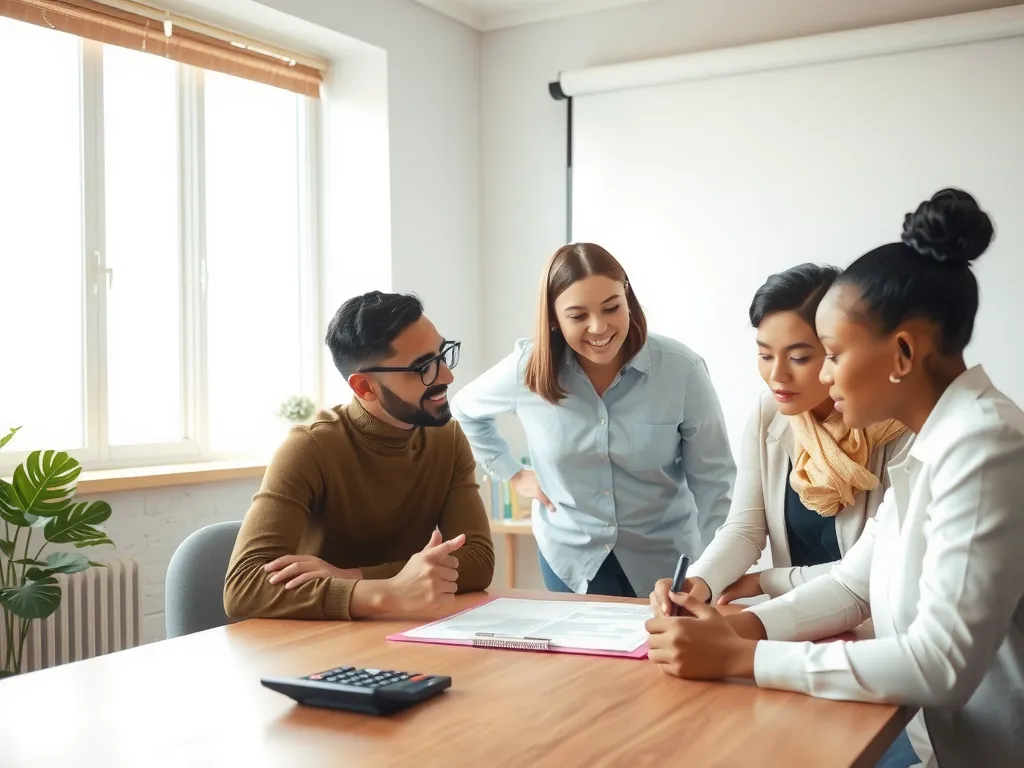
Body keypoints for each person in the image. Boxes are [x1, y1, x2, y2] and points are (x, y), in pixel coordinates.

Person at [646, 189, 1024, 768]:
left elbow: (942, 665)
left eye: (829, 354)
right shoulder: (938, 440)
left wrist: (742, 659)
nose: (820, 375)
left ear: (901, 353)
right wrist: (738, 631)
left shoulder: (985, 447)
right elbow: (853, 586)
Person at [450, 243, 735, 598]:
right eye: (578, 316)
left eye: (611, 307)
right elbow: (463, 408)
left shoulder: (681, 370)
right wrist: (513, 472)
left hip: (665, 560)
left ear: (627, 297)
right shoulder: (528, 369)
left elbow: (714, 482)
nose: (599, 327)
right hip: (570, 558)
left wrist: (711, 572)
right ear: (553, 318)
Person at [223, 291, 495, 621]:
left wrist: (352, 576)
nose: (447, 376)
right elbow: (243, 587)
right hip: (315, 648)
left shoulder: (447, 439)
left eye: (442, 354)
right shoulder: (309, 448)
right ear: (364, 387)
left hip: (408, 633)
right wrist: (388, 592)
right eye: (424, 367)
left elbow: (478, 561)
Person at [683, 264, 910, 605]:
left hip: (874, 625)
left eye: (799, 357)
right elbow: (745, 528)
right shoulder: (770, 413)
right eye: (764, 355)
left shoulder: (899, 427)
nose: (777, 375)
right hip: (797, 620)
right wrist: (698, 582)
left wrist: (768, 581)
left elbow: (878, 566)